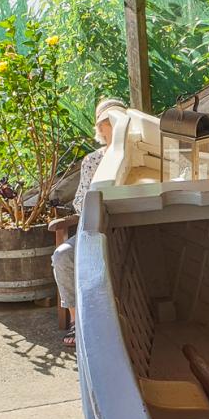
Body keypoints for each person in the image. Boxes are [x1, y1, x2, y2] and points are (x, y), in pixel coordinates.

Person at [52, 98, 122, 348]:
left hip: (128, 230)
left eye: (115, 121)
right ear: (100, 129)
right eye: (106, 123)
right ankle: (76, 321)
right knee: (63, 256)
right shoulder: (92, 161)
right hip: (95, 231)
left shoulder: (140, 156)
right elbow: (80, 203)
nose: (111, 127)